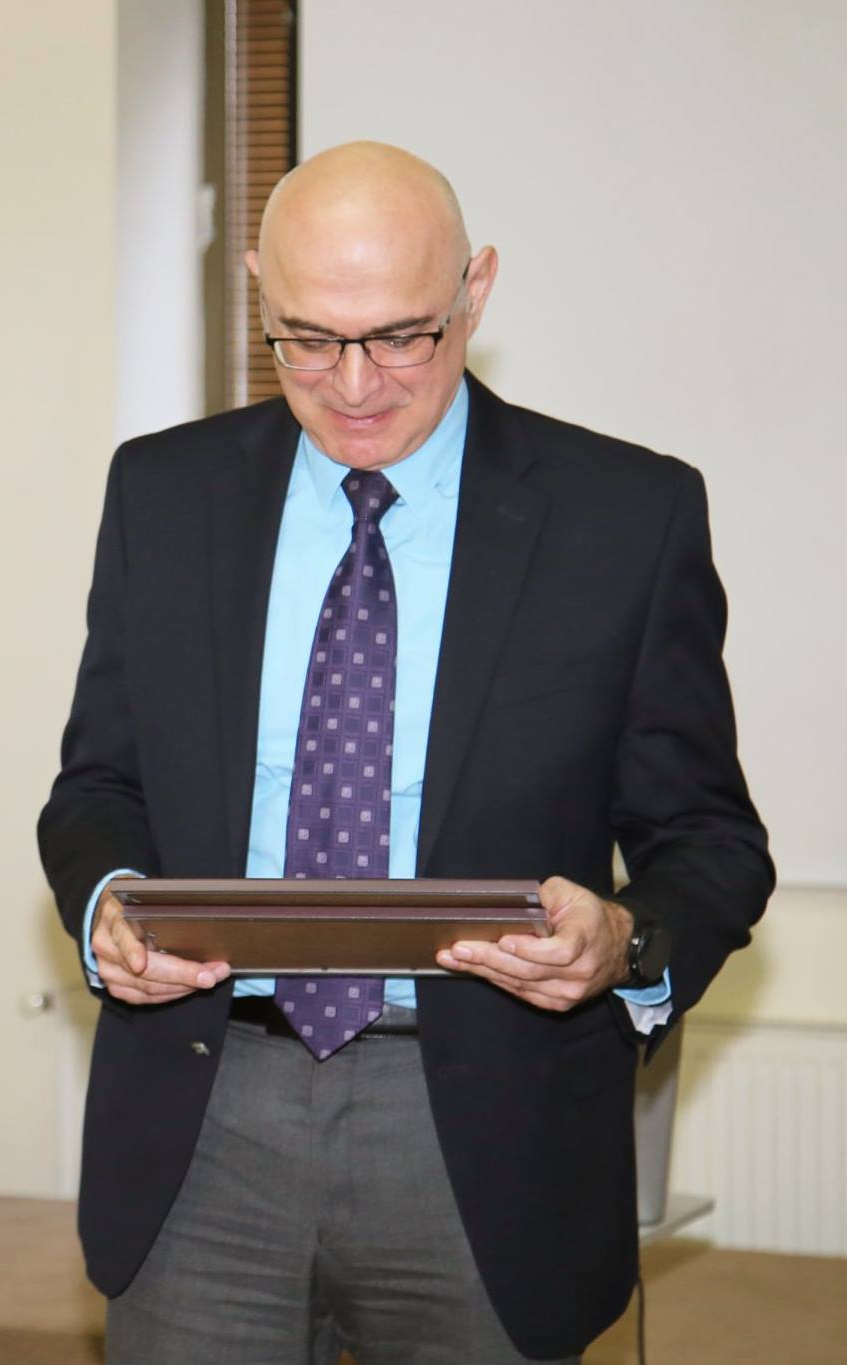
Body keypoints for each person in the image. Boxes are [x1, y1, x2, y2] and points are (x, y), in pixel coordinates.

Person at [37, 142, 771, 1364]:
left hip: (487, 1134)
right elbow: (99, 784)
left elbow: (707, 841)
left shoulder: (622, 516)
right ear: (259, 295)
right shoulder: (162, 493)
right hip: (201, 1118)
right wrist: (109, 900)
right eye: (305, 339)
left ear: (474, 291)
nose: (352, 384)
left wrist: (621, 943)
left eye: (398, 337)